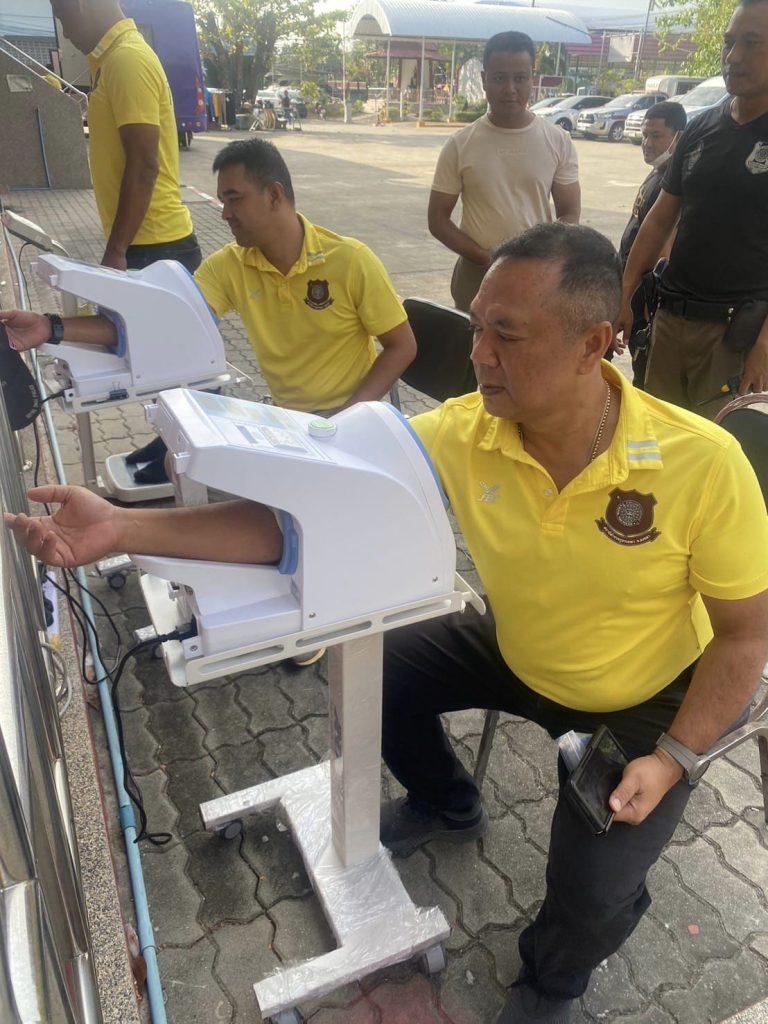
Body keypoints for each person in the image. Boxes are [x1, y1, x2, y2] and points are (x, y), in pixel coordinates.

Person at [7, 224, 768, 1023]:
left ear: (593, 345)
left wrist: (675, 758)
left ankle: (551, 982)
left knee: (593, 887)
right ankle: (449, 801)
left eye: (507, 336)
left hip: (645, 698)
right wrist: (124, 527)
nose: (479, 355)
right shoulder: (464, 431)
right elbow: (296, 520)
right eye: (478, 327)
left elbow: (747, 636)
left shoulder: (699, 463)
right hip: (518, 646)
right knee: (374, 663)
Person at [0, 138, 416, 426]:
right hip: (287, 418)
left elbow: (402, 345)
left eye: (235, 199)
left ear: (274, 195)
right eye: (222, 201)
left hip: (352, 415)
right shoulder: (230, 266)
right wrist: (51, 327)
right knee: (183, 460)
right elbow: (157, 324)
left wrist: (349, 416)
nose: (225, 214)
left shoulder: (350, 260)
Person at [51, 0, 202, 481]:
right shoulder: (110, 62)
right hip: (148, 241)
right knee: (160, 364)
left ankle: (187, 459)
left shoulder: (127, 60)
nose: (64, 30)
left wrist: (116, 251)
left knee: (173, 364)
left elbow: (144, 164)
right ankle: (170, 448)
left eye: (63, 15)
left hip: (156, 244)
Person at [619, 0, 768, 418]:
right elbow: (659, 218)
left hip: (735, 339)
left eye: (752, 43)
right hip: (670, 322)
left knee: (717, 446)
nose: (733, 56)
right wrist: (625, 292)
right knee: (655, 436)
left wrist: (765, 343)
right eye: (729, 42)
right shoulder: (702, 127)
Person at [428, 31, 580, 312]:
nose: (510, 88)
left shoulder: (557, 140)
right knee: (473, 340)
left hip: (535, 276)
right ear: (484, 79)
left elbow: (569, 212)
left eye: (520, 78)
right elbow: (437, 219)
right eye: (499, 78)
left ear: (532, 79)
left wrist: (543, 254)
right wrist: (485, 257)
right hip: (476, 274)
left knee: (532, 338)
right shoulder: (461, 144)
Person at [617, 101, 687, 386]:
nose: (647, 143)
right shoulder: (658, 172)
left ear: (679, 137)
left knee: (645, 372)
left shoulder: (676, 183)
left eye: (656, 136)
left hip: (647, 296)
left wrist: (651, 301)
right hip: (632, 288)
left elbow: (667, 243)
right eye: (645, 135)